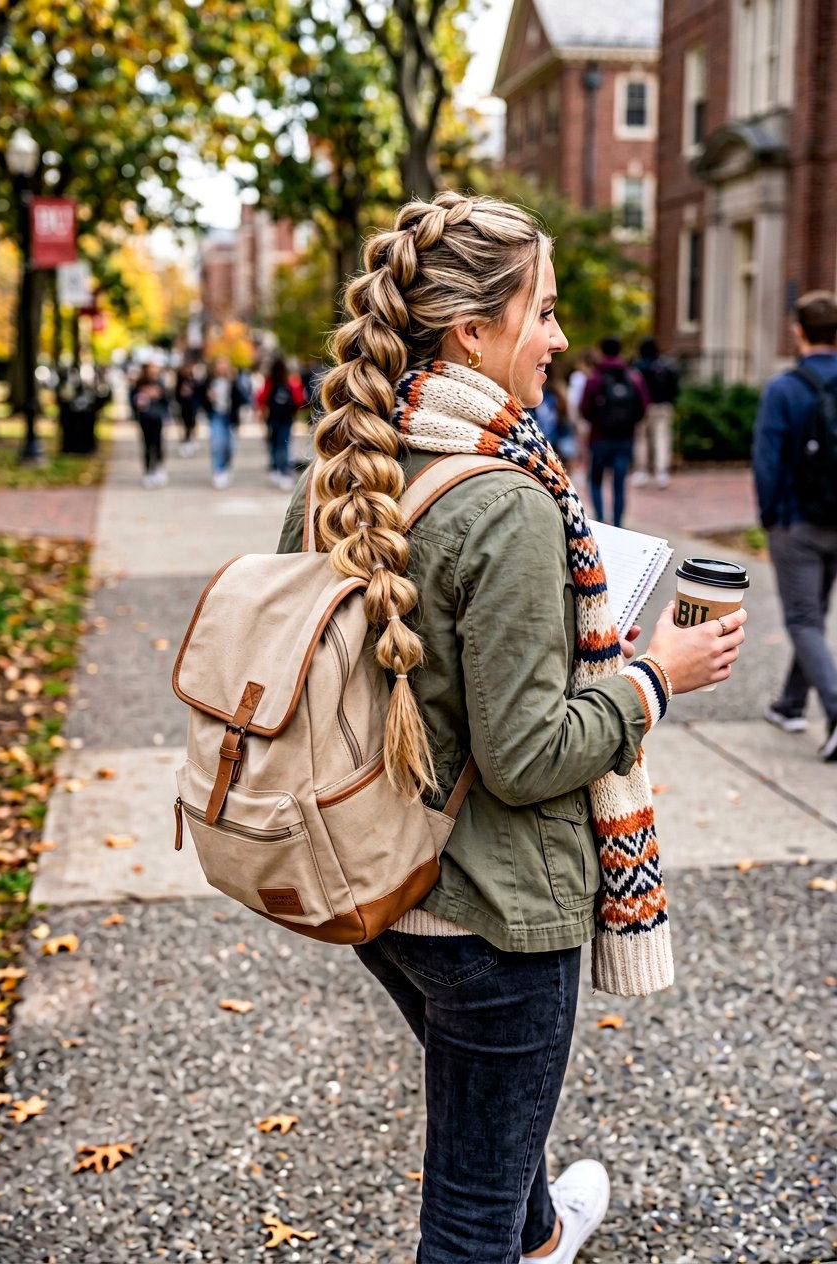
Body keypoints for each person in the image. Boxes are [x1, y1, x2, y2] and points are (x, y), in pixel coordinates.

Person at [276, 190, 747, 1263]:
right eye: (541, 309)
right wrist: (650, 679)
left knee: (485, 1117)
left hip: (378, 886)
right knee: (464, 1220)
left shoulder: (351, 461)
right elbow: (528, 756)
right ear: (471, 331)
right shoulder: (511, 501)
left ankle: (543, 1231)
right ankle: (515, 1232)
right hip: (490, 915)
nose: (559, 336)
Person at [753, 289, 837, 761]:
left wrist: (771, 518)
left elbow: (767, 463)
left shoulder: (784, 389)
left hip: (797, 522)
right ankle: (790, 704)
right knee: (814, 616)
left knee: (804, 618)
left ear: (799, 331)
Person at [580, 336, 649, 527]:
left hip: (599, 437)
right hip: (625, 438)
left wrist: (597, 422)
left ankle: (601, 520)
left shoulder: (595, 378)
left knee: (595, 479)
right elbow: (643, 406)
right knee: (619, 483)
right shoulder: (633, 377)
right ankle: (618, 524)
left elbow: (584, 408)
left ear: (602, 351)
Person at [631, 338, 680, 489]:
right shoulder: (666, 366)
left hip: (643, 408)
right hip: (664, 406)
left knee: (641, 439)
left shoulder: (638, 367)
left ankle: (642, 471)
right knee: (662, 438)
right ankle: (661, 472)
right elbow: (676, 388)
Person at [259, 355, 299, 489]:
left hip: (273, 418)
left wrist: (262, 416)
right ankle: (284, 471)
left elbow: (261, 399)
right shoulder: (290, 381)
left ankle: (276, 468)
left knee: (274, 444)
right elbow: (299, 399)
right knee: (284, 444)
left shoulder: (269, 382)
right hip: (286, 419)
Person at [129, 361, 169, 489]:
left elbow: (167, 400)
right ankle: (148, 472)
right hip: (144, 418)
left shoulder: (160, 383)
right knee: (147, 444)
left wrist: (158, 395)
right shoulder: (139, 384)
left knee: (158, 443)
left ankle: (158, 468)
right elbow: (132, 399)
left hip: (157, 417)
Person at [205, 357, 238, 490]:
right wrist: (208, 398)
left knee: (229, 445)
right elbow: (200, 396)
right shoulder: (209, 382)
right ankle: (218, 470)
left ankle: (226, 466)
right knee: (217, 443)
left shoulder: (233, 381)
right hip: (216, 415)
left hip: (229, 417)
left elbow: (240, 398)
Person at [175, 359, 199, 456]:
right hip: (183, 406)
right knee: (184, 425)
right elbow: (176, 394)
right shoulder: (180, 380)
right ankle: (185, 441)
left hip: (192, 406)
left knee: (191, 424)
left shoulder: (193, 380)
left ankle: (190, 440)